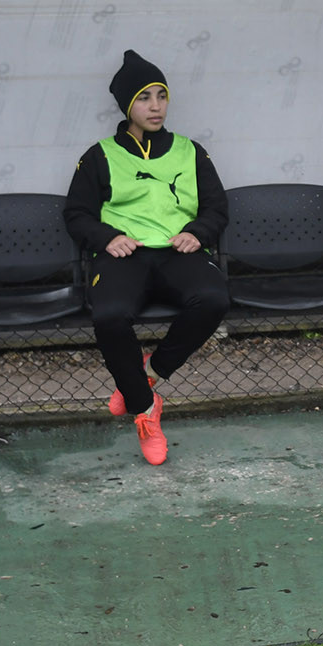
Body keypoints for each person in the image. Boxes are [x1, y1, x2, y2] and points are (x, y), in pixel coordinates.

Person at [64, 50, 230, 466]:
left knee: (213, 299)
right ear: (126, 105)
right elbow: (76, 213)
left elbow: (216, 207)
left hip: (177, 251)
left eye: (161, 96)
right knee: (109, 315)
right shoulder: (100, 155)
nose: (155, 106)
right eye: (144, 98)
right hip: (126, 256)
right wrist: (108, 237)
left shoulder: (191, 151)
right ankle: (145, 409)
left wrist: (197, 232)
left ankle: (149, 372)